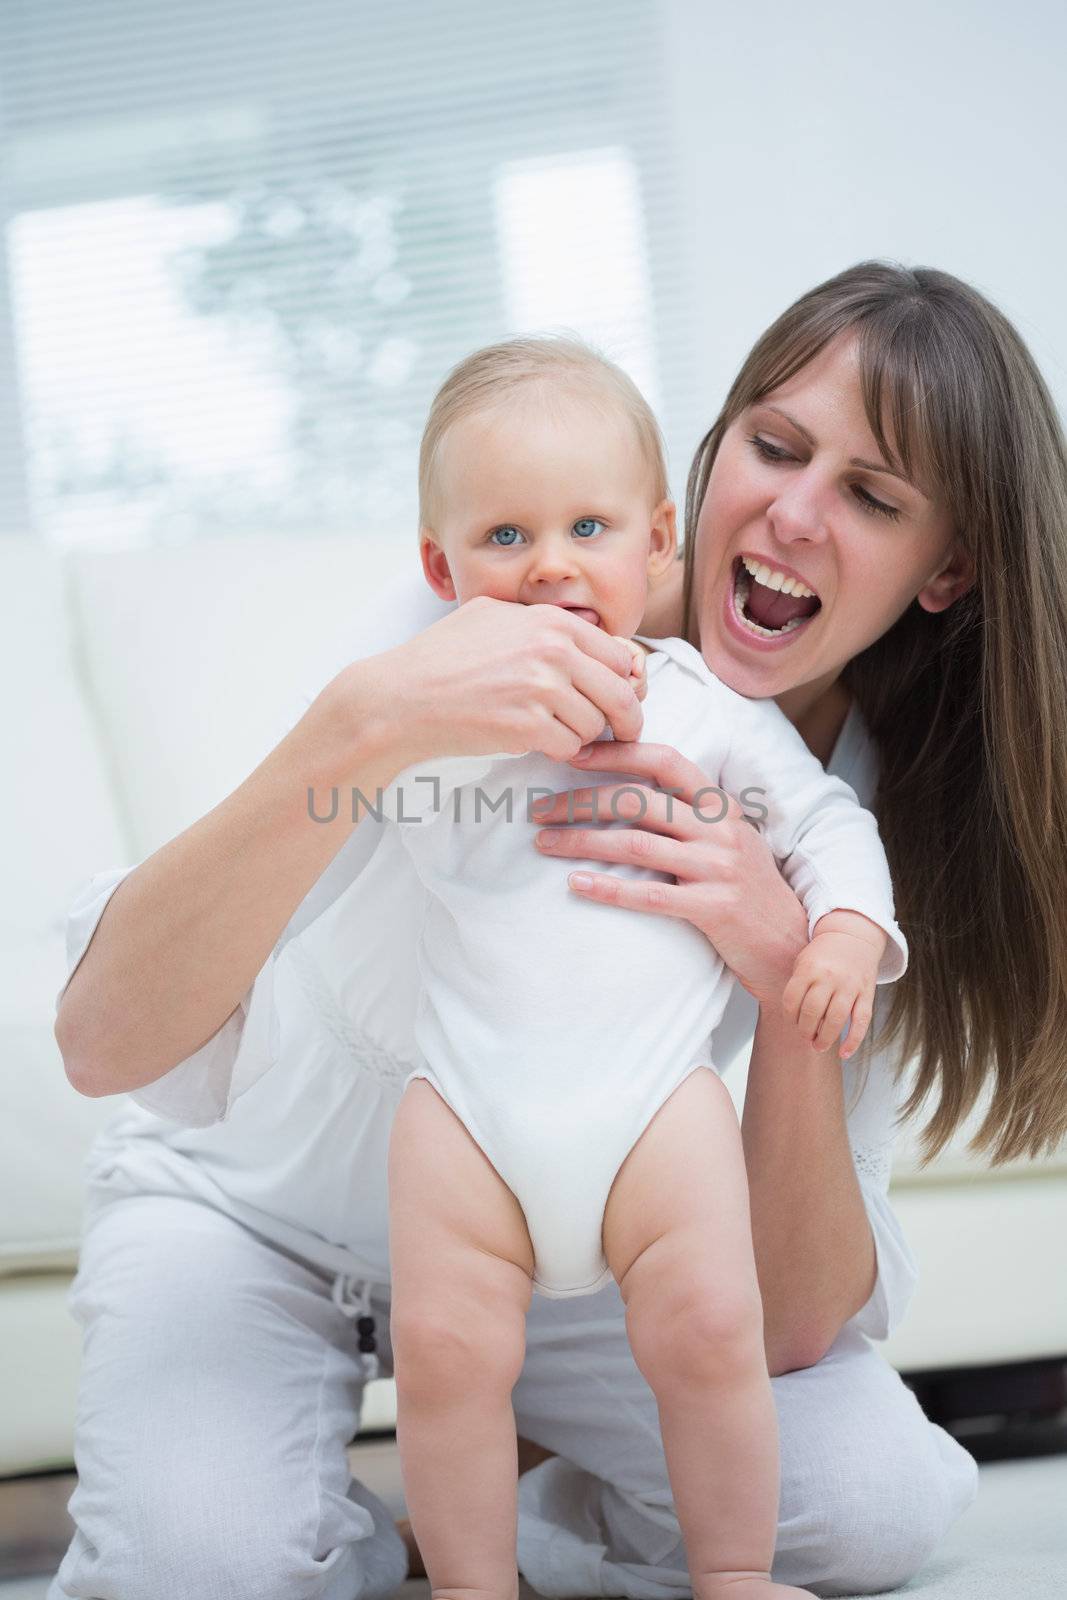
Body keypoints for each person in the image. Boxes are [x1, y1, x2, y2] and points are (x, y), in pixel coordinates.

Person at [51, 262, 1067, 1600]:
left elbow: (792, 1315)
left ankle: (500, 1507)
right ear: (697, 472)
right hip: (263, 1217)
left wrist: (783, 975)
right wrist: (363, 725)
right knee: (201, 1572)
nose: (790, 513)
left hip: (560, 1261)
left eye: (870, 497)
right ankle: (350, 1523)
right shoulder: (478, 620)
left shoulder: (850, 820)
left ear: (945, 570)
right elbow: (102, 1036)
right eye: (770, 446)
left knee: (856, 1507)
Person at [378, 336, 904, 1600]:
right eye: (505, 538)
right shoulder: (432, 697)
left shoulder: (703, 707)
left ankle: (729, 1571)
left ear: (656, 542)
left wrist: (838, 934)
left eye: (588, 525)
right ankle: (468, 1583)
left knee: (709, 1333)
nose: (551, 562)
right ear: (442, 568)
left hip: (651, 1102)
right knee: (445, 1351)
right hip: (464, 1099)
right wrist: (407, 722)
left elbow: (826, 822)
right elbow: (334, 820)